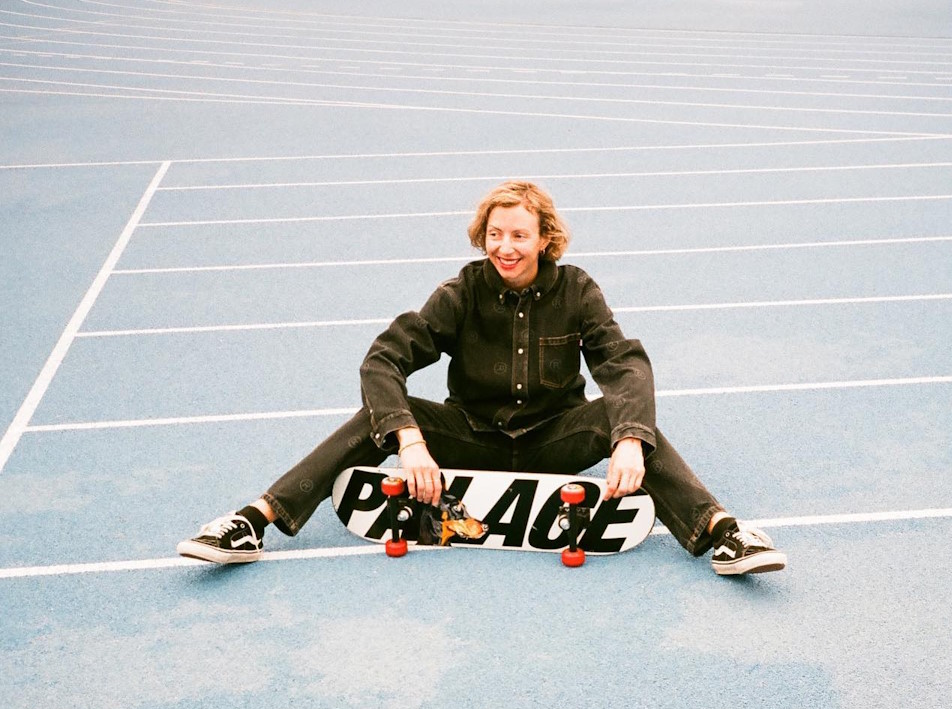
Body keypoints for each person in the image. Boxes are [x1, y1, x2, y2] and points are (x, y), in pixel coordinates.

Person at [178, 180, 786, 576]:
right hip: (471, 436)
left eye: (519, 235)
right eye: (496, 234)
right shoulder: (463, 291)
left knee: (626, 418)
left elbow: (623, 363)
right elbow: (382, 360)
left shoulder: (576, 290)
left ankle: (722, 532)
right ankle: (253, 522)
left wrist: (629, 438)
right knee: (379, 416)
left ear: (544, 239)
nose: (505, 246)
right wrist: (409, 441)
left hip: (552, 441)